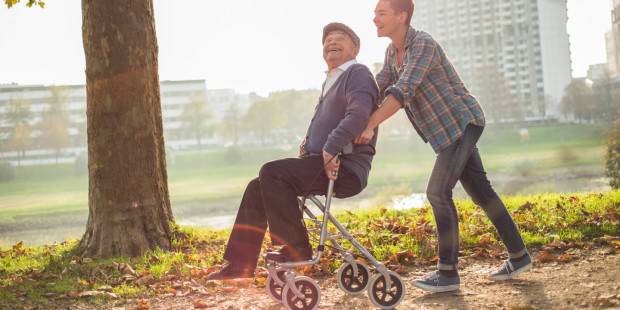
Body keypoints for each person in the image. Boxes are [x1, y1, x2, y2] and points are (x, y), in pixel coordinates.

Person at [353, 0, 532, 292]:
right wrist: (350, 115)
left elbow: (403, 90)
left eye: (381, 13)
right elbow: (378, 88)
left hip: (461, 123)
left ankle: (447, 273)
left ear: (402, 16)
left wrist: (370, 123)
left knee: (438, 191)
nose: (374, 19)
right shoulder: (391, 52)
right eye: (374, 14)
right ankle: (519, 255)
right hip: (444, 134)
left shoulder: (422, 43)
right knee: (482, 192)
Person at [207, 22, 380, 280]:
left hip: (345, 166)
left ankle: (296, 249)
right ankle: (241, 264)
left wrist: (329, 146)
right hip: (321, 162)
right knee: (258, 185)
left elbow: (358, 116)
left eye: (340, 38)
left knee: (272, 172)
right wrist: (310, 143)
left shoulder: (357, 73)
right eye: (328, 39)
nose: (332, 42)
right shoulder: (331, 80)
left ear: (355, 50)